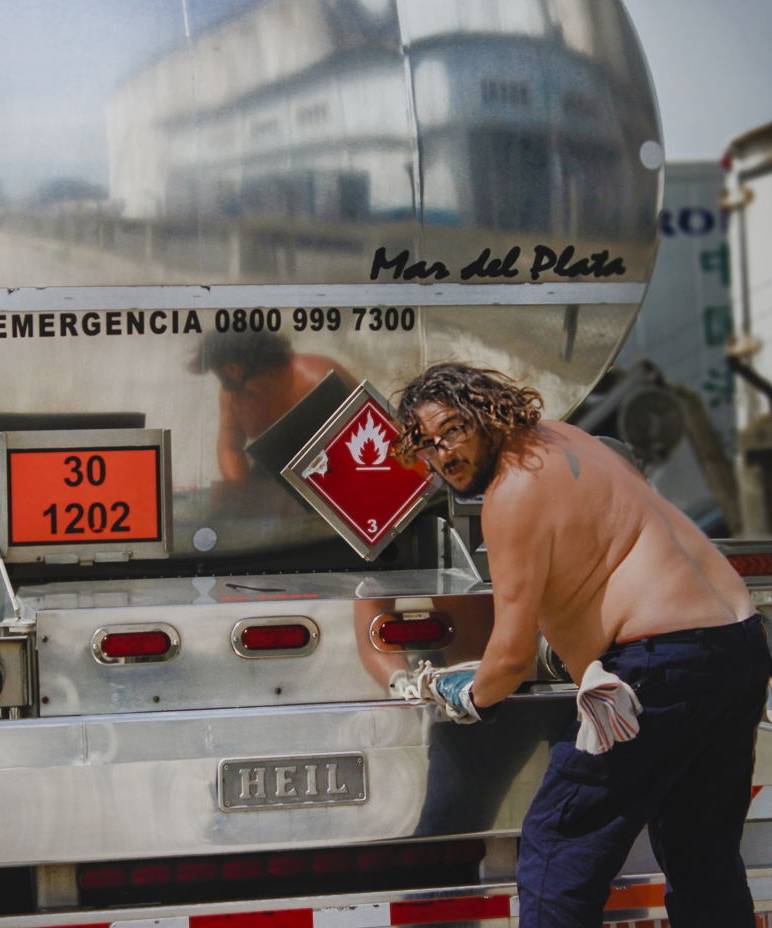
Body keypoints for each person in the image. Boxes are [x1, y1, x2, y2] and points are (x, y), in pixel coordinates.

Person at [394, 362, 769, 928]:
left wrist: (467, 695)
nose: (442, 454)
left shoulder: (511, 494)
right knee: (703, 853)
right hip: (736, 645)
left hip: (661, 661)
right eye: (427, 443)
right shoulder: (570, 439)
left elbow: (511, 659)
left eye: (453, 430)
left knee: (558, 848)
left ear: (487, 414)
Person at [191, 332, 354, 483]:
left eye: (224, 379)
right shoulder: (231, 396)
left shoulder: (318, 379)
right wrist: (242, 491)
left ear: (233, 369)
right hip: (276, 481)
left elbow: (365, 427)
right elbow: (229, 448)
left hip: (339, 473)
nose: (228, 389)